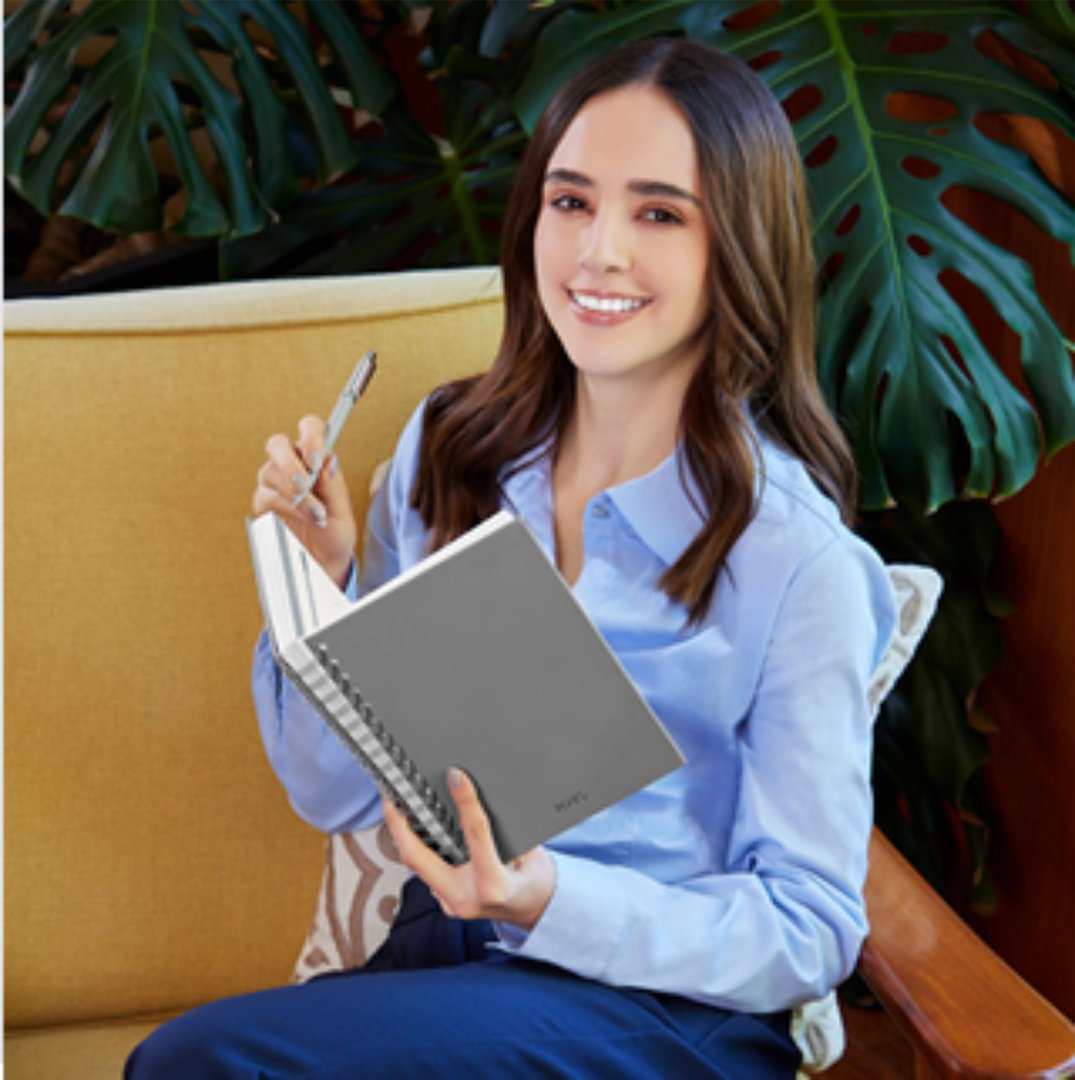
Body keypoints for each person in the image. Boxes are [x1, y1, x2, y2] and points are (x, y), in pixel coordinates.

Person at [127, 36, 896, 1079]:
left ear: (740, 248)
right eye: (570, 201)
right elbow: (331, 793)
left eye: (659, 214)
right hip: (445, 965)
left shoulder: (794, 561)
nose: (599, 252)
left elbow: (809, 929)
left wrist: (551, 899)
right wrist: (321, 578)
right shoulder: (453, 450)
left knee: (204, 1063)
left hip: (661, 1015)